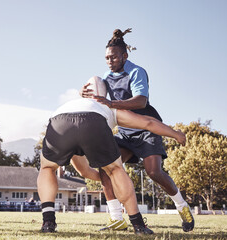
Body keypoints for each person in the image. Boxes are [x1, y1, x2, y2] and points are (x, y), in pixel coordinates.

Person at [38, 76, 185, 235]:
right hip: (93, 120)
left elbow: (84, 172)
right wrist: (175, 134)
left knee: (47, 168)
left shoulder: (71, 104)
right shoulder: (107, 106)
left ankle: (48, 222)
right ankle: (138, 225)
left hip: (59, 122)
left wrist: (106, 180)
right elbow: (147, 122)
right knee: (116, 170)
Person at [80, 28, 195, 232]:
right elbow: (99, 100)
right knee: (107, 166)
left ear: (125, 55)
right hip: (124, 132)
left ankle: (182, 206)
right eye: (106, 58)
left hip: (145, 129)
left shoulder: (136, 71)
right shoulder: (106, 76)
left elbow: (141, 101)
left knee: (154, 172)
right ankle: (116, 218)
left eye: (114, 57)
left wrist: (112, 103)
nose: (110, 61)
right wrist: (85, 93)